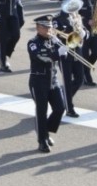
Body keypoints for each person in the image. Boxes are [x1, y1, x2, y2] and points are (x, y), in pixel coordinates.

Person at [28, 14, 67, 152]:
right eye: (45, 27)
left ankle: (45, 131)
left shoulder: (53, 41)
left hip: (53, 81)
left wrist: (62, 47)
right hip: (39, 81)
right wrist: (58, 53)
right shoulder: (33, 43)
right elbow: (41, 58)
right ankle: (42, 140)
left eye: (50, 27)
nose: (49, 30)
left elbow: (63, 55)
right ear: (38, 27)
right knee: (41, 111)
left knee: (60, 108)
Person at [52, 1, 85, 118]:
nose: (73, 8)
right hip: (65, 52)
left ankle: (63, 99)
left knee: (80, 79)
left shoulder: (76, 16)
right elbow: (56, 36)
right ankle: (69, 108)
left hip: (77, 51)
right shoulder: (57, 19)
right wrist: (63, 47)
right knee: (67, 81)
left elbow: (83, 31)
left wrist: (84, 33)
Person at [77, 0, 97, 86]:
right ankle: (87, 77)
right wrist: (86, 21)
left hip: (95, 30)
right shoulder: (78, 0)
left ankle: (83, 70)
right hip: (84, 31)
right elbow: (74, 16)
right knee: (85, 55)